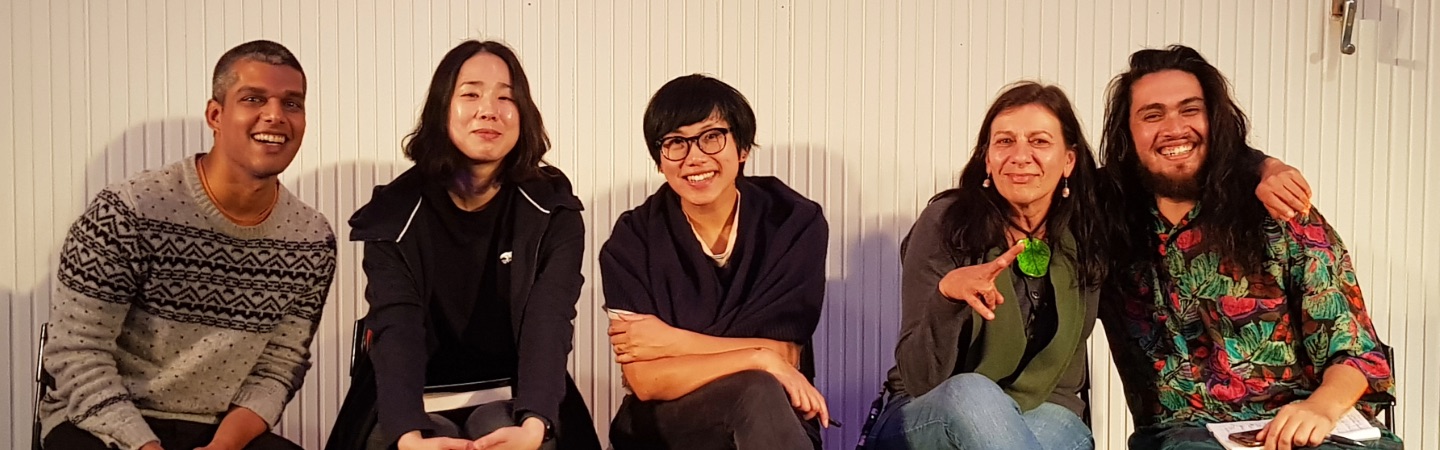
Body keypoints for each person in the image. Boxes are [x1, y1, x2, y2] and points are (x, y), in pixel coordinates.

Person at [1097, 45, 1401, 450]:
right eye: (1152, 115)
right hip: (1183, 436)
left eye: (1190, 110)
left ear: (1216, 121)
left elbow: (1357, 353)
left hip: (1307, 428)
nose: (1174, 128)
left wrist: (1320, 408)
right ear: (1128, 134)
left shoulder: (1280, 214)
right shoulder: (1102, 222)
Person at [40, 40, 337, 450]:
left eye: (292, 103)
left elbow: (279, 366)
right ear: (216, 115)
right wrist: (144, 445)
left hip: (218, 431)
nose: (275, 115)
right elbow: (78, 353)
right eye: (253, 98)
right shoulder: (128, 211)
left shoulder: (311, 239)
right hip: (100, 425)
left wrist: (223, 446)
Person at [339, 40, 602, 450]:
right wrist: (408, 436)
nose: (488, 110)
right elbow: (396, 325)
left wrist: (535, 425)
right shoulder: (395, 211)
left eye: (505, 97)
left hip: (515, 391)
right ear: (442, 108)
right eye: (471, 94)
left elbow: (549, 320)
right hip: (414, 396)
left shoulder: (553, 208)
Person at [867, 82, 1105, 450]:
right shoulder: (946, 225)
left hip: (1046, 408)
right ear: (988, 159)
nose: (1020, 156)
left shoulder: (1088, 235)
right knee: (974, 394)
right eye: (1005, 142)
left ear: (1068, 161)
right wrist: (947, 299)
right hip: (929, 410)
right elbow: (917, 379)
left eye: (1039, 141)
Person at [599, 74, 829, 449]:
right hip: (665, 426)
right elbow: (645, 380)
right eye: (676, 142)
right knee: (756, 385)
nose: (695, 157)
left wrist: (670, 341)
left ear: (742, 148)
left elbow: (784, 352)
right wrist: (760, 357)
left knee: (758, 391)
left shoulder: (792, 221)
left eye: (712, 137)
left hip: (773, 418)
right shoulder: (633, 239)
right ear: (659, 161)